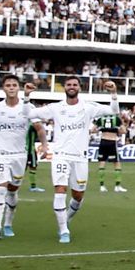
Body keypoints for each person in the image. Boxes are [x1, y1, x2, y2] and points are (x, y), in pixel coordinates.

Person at [31, 77, 120, 244]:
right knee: (60, 190)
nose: (71, 87)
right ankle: (64, 230)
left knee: (78, 196)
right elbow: (30, 113)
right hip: (60, 156)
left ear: (79, 87)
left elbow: (114, 111)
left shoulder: (88, 107)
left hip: (80, 158)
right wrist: (27, 97)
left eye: (74, 84)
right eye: (69, 84)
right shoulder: (56, 108)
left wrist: (114, 93)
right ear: (64, 87)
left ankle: (66, 220)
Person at [0, 74, 50, 239]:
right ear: (3, 88)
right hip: (0, 155)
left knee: (12, 192)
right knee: (0, 189)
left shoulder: (28, 108)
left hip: (20, 157)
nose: (11, 87)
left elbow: (40, 128)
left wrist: (44, 144)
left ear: (18, 88)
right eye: (8, 85)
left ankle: (8, 223)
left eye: (14, 85)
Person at [95, 106, 127, 193]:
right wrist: (117, 131)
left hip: (103, 141)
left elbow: (93, 130)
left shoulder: (100, 119)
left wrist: (102, 130)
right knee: (117, 164)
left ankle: (102, 186)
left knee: (102, 163)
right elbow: (124, 131)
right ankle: (117, 186)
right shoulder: (116, 119)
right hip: (112, 142)